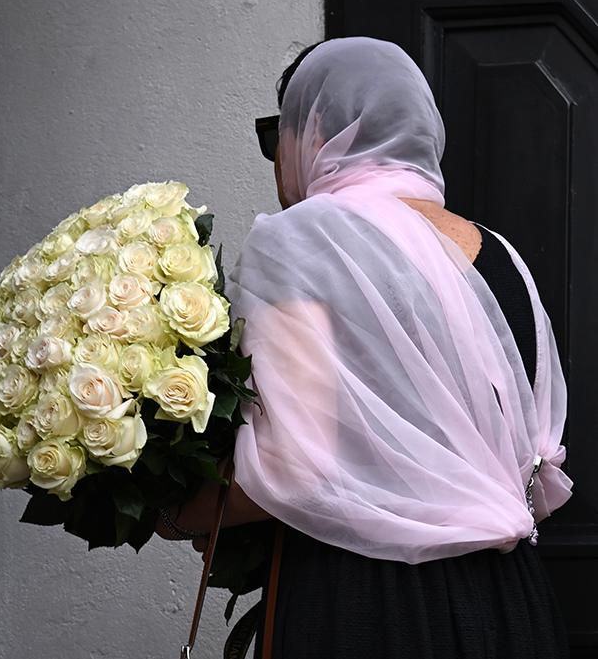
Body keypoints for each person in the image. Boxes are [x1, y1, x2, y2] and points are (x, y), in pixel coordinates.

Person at [154, 37, 573, 658]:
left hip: (368, 605)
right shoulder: (504, 256)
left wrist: (171, 508)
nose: (279, 158)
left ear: (317, 128)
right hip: (512, 603)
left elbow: (298, 465)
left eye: (282, 134)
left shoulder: (306, 241)